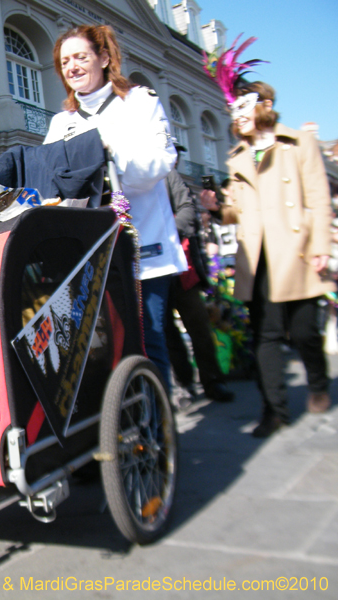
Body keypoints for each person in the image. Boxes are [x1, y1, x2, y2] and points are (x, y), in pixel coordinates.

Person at [43, 25, 187, 390]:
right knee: (103, 347)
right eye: (64, 62)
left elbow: (163, 157)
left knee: (148, 341)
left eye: (81, 57)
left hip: (144, 247)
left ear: (104, 59)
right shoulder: (63, 122)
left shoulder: (140, 101)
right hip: (89, 252)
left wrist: (111, 159)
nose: (72, 67)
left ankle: (158, 429)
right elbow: (50, 180)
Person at [213, 81, 334, 436]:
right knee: (264, 335)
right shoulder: (237, 156)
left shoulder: (298, 143)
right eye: (233, 109)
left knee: (303, 332)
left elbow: (318, 197)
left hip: (297, 251)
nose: (237, 115)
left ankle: (318, 383)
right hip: (258, 258)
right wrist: (220, 207)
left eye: (243, 106)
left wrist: (321, 247)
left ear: (263, 105)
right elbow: (237, 211)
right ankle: (274, 409)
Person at [164, 144, 234, 404]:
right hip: (157, 270)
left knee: (199, 327)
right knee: (167, 333)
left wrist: (161, 230)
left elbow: (188, 217)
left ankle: (212, 382)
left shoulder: (170, 177)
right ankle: (183, 383)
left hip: (183, 268)